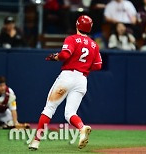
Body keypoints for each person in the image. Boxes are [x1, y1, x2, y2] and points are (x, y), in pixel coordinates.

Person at [28, 15, 102, 150]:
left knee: (49, 108)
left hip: (68, 76)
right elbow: (98, 65)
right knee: (70, 113)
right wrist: (83, 66)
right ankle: (82, 128)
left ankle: (36, 141)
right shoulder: (94, 44)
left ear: (77, 25)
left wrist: (55, 57)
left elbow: (65, 55)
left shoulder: (72, 38)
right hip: (82, 80)